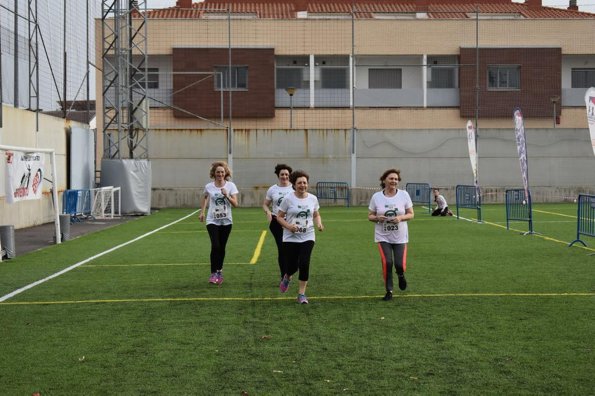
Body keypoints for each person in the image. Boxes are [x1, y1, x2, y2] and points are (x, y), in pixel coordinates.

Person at [276, 170, 324, 304]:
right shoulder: (288, 199)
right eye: (299, 183)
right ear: (294, 184)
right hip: (290, 237)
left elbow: (316, 214)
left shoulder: (312, 198)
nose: (302, 185)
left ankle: (301, 294)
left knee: (304, 263)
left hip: (308, 235)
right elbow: (279, 217)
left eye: (304, 183)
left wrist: (319, 223)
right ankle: (287, 276)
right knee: (292, 266)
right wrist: (288, 226)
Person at [368, 169, 414, 301]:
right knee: (387, 262)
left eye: (396, 179)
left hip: (400, 236)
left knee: (399, 264)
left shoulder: (404, 195)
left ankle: (400, 275)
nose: (394, 181)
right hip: (383, 236)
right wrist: (377, 218)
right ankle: (389, 290)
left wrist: (400, 218)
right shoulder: (376, 197)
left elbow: (411, 214)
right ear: (384, 180)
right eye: (391, 178)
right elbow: (369, 216)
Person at [199, 161, 239, 285]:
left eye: (222, 172)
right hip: (212, 220)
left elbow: (235, 204)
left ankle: (219, 271)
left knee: (222, 247)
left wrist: (226, 195)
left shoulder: (231, 185)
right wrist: (202, 212)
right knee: (215, 245)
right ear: (214, 174)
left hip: (226, 221)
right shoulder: (209, 186)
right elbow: (205, 197)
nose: (220, 174)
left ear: (225, 173)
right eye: (218, 172)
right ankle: (213, 273)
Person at [262, 164, 294, 279]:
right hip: (276, 222)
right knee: (282, 248)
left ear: (289, 176)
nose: (284, 176)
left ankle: (290, 270)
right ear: (278, 175)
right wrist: (268, 212)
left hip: (291, 222)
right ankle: (284, 276)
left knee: (291, 249)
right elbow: (265, 204)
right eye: (282, 174)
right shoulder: (273, 189)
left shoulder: (294, 188)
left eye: (286, 174)